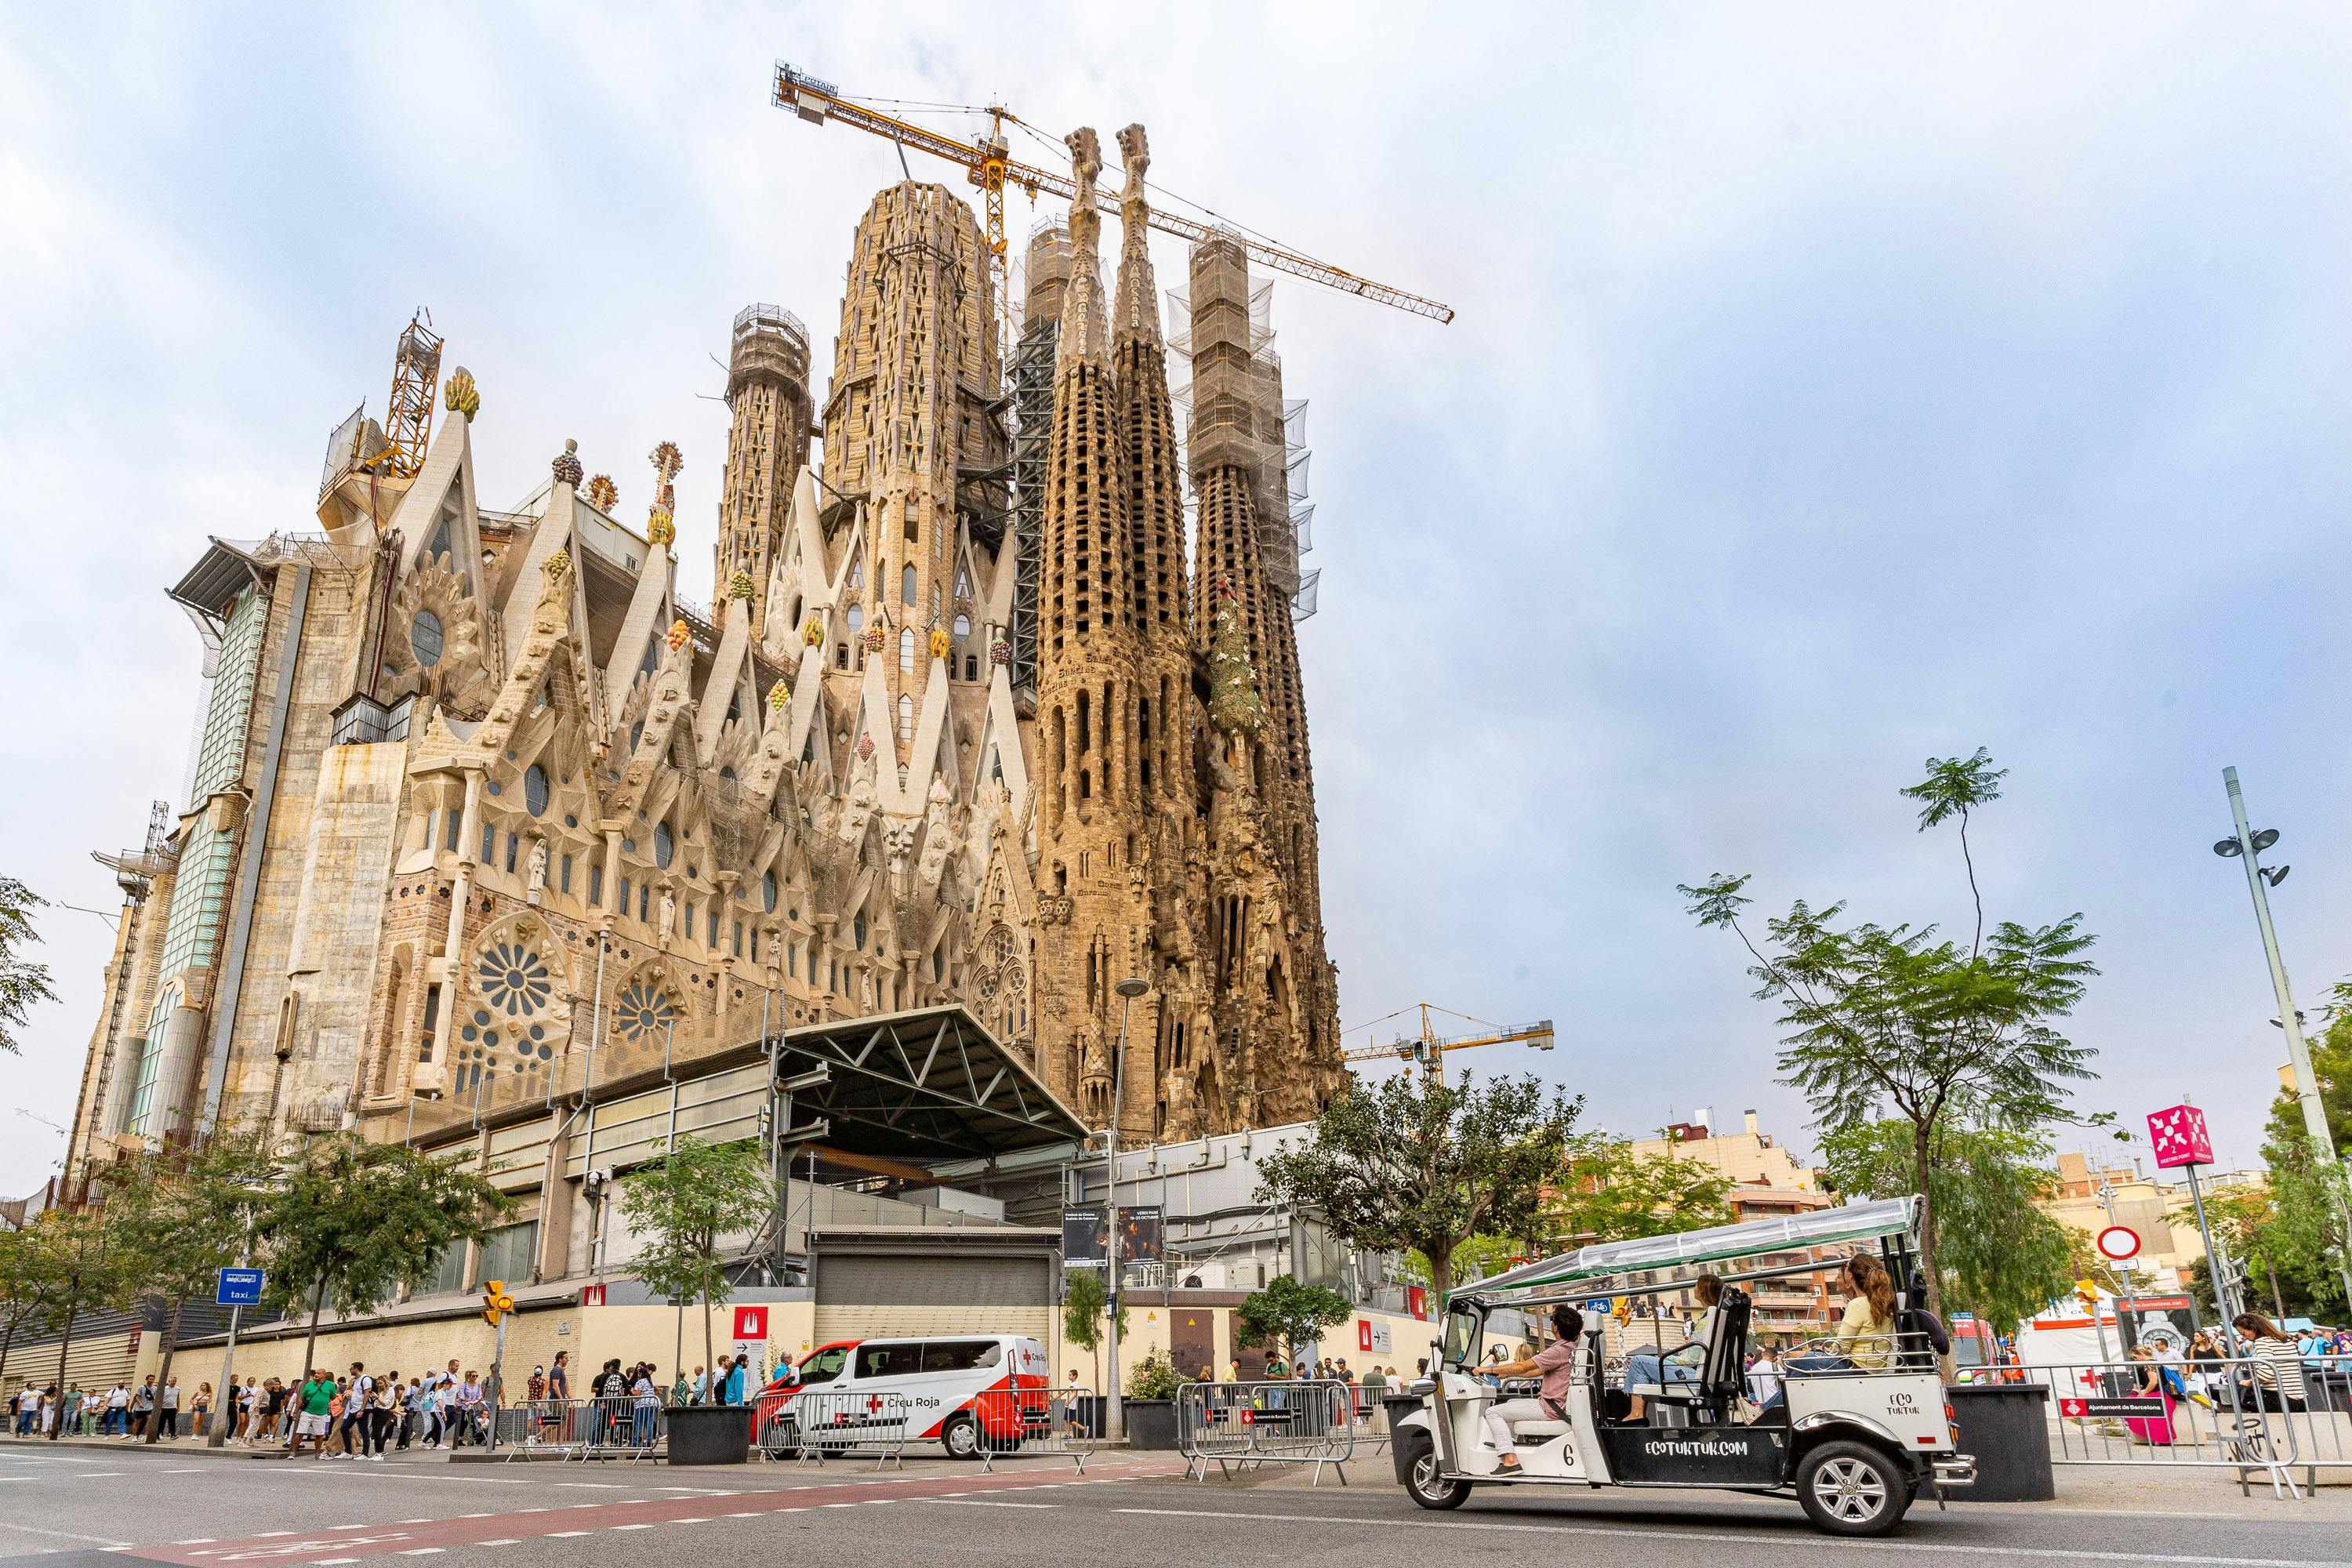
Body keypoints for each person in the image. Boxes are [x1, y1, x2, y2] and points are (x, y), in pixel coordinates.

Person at [1478, 1305, 1585, 1474]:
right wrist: (1505, 1374)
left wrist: (1487, 1370)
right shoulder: (1573, 1348)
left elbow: (1522, 1367)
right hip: (1556, 1405)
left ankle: (1510, 1460)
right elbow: (1535, 1371)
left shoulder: (1558, 1350)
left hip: (1551, 1408)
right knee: (1511, 1403)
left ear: (1555, 1327)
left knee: (1492, 1412)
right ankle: (1507, 1444)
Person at [1624, 1273, 1722, 1417]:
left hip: (1695, 1379)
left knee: (1638, 1361)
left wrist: (1667, 1357)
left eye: (1696, 1285)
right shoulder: (1717, 1316)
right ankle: (1637, 1414)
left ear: (1702, 1291)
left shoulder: (1706, 1322)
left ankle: (1636, 1414)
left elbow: (1690, 1360)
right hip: (1707, 1377)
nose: (1694, 1288)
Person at [2237, 1313, 2308, 1411]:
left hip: (2277, 1397)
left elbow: (2266, 1373)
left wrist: (2249, 1382)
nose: (2244, 1337)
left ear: (2253, 1328)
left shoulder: (2262, 1342)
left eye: (2243, 1333)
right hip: (2298, 1397)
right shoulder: (2286, 1340)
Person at [1747, 1338, 1783, 1407]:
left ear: (1763, 1354)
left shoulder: (1753, 1369)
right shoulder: (1775, 1367)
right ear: (1774, 1358)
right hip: (1775, 1402)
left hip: (1760, 1402)